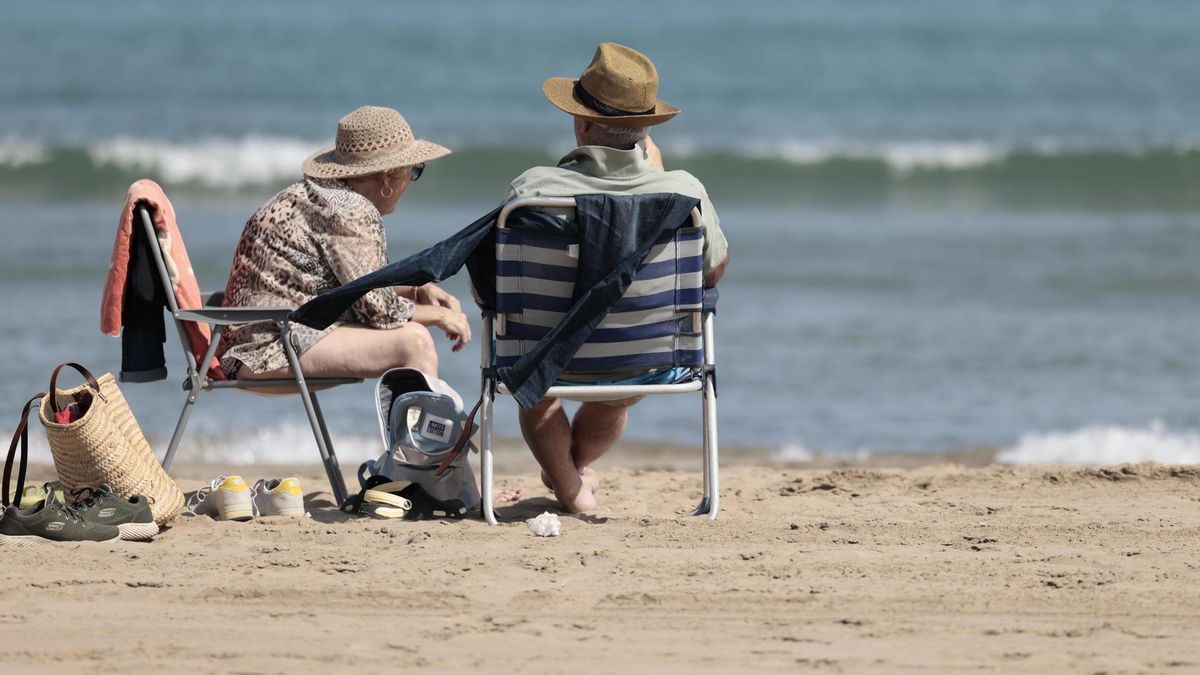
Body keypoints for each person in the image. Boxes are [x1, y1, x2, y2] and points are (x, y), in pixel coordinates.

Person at [504, 43, 730, 513]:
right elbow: (712, 271)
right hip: (643, 360)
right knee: (615, 395)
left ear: (582, 123)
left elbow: (495, 285)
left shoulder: (532, 190)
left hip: (543, 361)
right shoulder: (682, 192)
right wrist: (658, 179)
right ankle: (570, 476)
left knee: (536, 393)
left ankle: (569, 487)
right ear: (645, 131)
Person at [218, 106, 471, 382]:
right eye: (413, 171)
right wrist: (440, 316)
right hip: (266, 351)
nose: (411, 181)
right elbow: (380, 313)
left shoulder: (318, 195)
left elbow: (358, 286)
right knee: (414, 343)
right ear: (388, 177)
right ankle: (422, 427)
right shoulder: (349, 210)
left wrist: (416, 289)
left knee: (412, 336)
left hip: (244, 344)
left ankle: (417, 424)